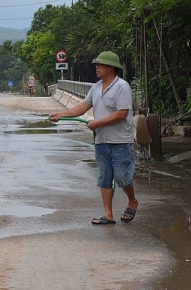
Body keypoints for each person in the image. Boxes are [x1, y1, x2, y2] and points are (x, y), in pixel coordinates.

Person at [49, 51, 138, 225]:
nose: (96, 67)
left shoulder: (122, 86)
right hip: (101, 141)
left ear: (111, 67)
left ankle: (132, 201)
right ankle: (108, 214)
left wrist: (97, 124)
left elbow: (121, 114)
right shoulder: (96, 87)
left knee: (122, 177)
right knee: (104, 178)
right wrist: (61, 114)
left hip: (120, 141)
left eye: (100, 65)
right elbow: (81, 108)